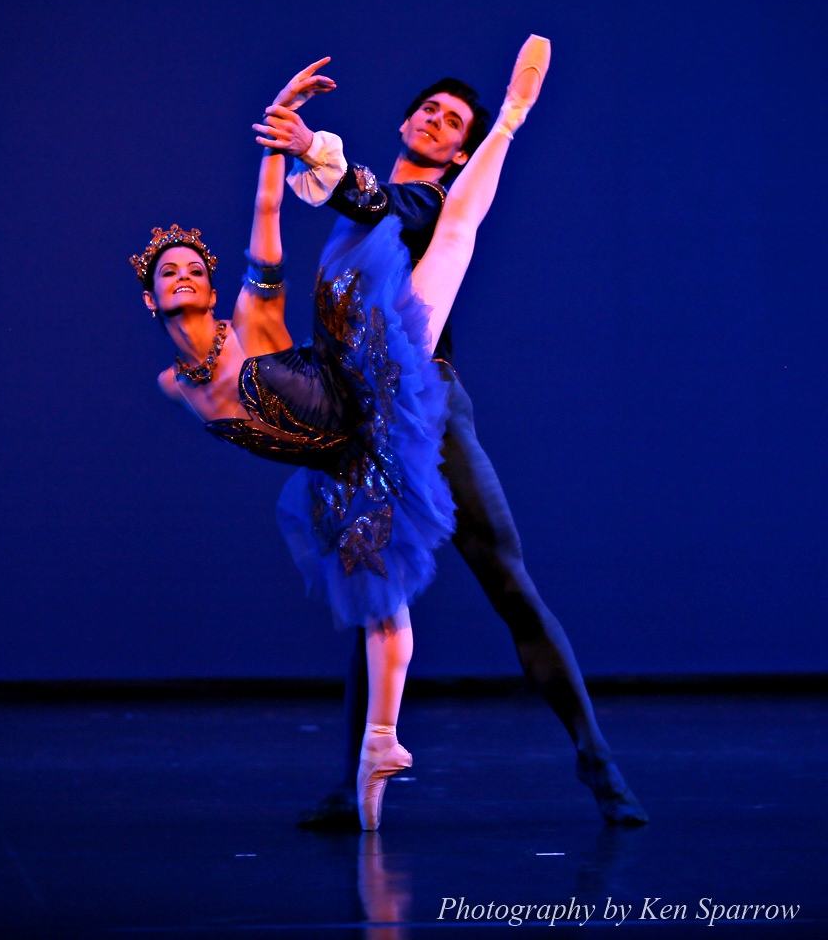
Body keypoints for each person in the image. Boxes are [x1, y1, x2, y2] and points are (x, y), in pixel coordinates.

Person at [133, 39, 550, 830]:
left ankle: (510, 122)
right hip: (347, 454)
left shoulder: (250, 321)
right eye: (169, 277)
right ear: (151, 304)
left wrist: (284, 129)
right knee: (378, 604)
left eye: (194, 270)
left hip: (369, 379)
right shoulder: (171, 384)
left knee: (452, 236)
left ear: (215, 286)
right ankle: (377, 758)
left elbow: (268, 220)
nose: (185, 278)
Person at [258, 54, 649, 830]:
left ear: (459, 153)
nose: (436, 120)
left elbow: (376, 194)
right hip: (358, 417)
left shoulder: (428, 202)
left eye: (452, 122)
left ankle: (599, 763)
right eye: (428, 111)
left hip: (429, 412)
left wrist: (311, 147)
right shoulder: (354, 219)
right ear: (407, 121)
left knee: (508, 583)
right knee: (374, 602)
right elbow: (321, 208)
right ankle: (352, 783)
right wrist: (287, 134)